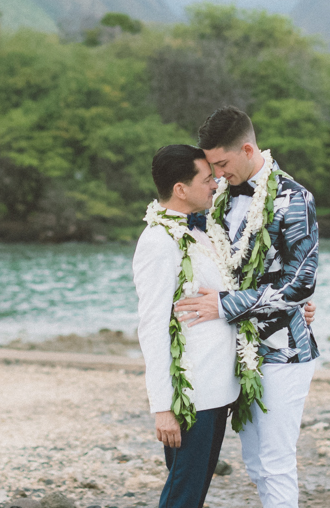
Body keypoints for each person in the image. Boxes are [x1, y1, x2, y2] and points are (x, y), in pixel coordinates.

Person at [176, 106, 319, 508]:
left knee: (274, 464)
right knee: (256, 464)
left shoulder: (294, 199)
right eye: (212, 167)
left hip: (283, 350)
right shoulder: (218, 196)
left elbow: (300, 284)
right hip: (238, 352)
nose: (218, 174)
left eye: (222, 163)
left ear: (247, 148)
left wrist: (226, 305)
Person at [133, 144, 238, 508]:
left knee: (193, 492)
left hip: (217, 387)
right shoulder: (158, 242)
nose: (215, 184)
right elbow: (151, 326)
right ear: (180, 188)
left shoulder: (203, 231)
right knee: (183, 494)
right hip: (190, 394)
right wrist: (163, 406)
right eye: (207, 178)